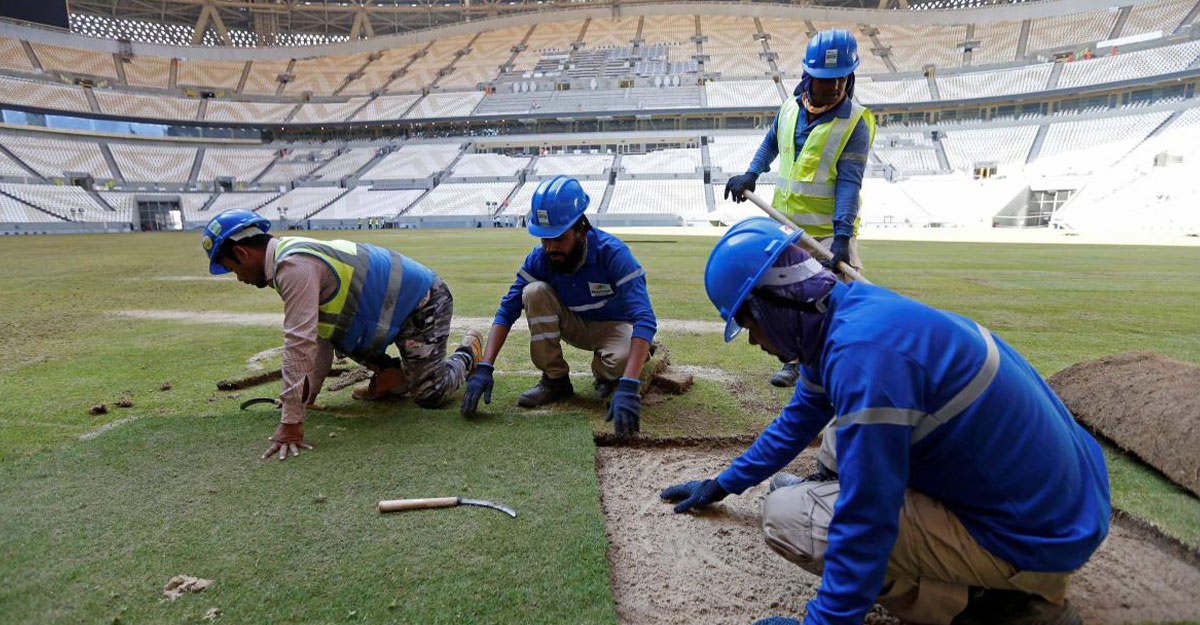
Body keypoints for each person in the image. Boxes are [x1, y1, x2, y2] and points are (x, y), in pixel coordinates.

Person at [660, 218, 1110, 625]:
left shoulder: (862, 360)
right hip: (1058, 501)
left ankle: (999, 604)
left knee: (788, 518)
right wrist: (723, 483)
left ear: (772, 305)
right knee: (839, 438)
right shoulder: (847, 312)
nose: (754, 341)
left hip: (1035, 536)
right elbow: (797, 421)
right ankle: (1000, 575)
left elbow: (867, 515)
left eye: (748, 323)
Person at [201, 209, 483, 461]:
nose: (238, 278)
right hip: (384, 315)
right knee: (341, 336)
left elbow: (299, 346)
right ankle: (392, 376)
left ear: (241, 254)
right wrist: (306, 397)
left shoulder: (293, 267)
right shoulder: (290, 257)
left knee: (430, 395)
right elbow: (322, 338)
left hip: (423, 302)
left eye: (233, 268)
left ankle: (467, 354)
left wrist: (290, 422)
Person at [724, 29, 875, 389]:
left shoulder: (855, 122)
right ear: (808, 76)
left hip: (827, 230)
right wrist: (752, 173)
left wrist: (841, 235)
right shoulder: (791, 108)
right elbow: (771, 143)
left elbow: (849, 183)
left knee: (841, 297)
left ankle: (852, 361)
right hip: (785, 226)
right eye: (826, 79)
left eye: (842, 78)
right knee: (788, 296)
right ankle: (794, 361)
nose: (835, 86)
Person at [459, 175, 657, 437]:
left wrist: (629, 383)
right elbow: (507, 310)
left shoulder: (614, 254)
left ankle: (612, 371)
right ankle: (556, 381)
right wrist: (485, 367)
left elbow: (645, 318)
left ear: (581, 230)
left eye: (558, 237)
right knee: (533, 292)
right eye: (544, 239)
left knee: (618, 363)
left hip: (614, 325)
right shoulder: (540, 259)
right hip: (572, 322)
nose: (550, 247)